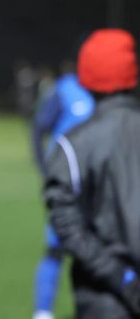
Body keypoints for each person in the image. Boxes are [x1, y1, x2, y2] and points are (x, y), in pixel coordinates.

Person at [44, 28, 140, 318]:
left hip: (103, 297)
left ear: (85, 78)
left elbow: (66, 223)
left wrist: (122, 278)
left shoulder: (73, 144)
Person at [30, 65, 94, 319]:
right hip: (66, 186)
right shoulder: (65, 89)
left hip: (97, 186)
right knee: (56, 247)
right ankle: (43, 311)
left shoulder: (105, 93)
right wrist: (44, 169)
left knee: (98, 249)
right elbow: (39, 127)